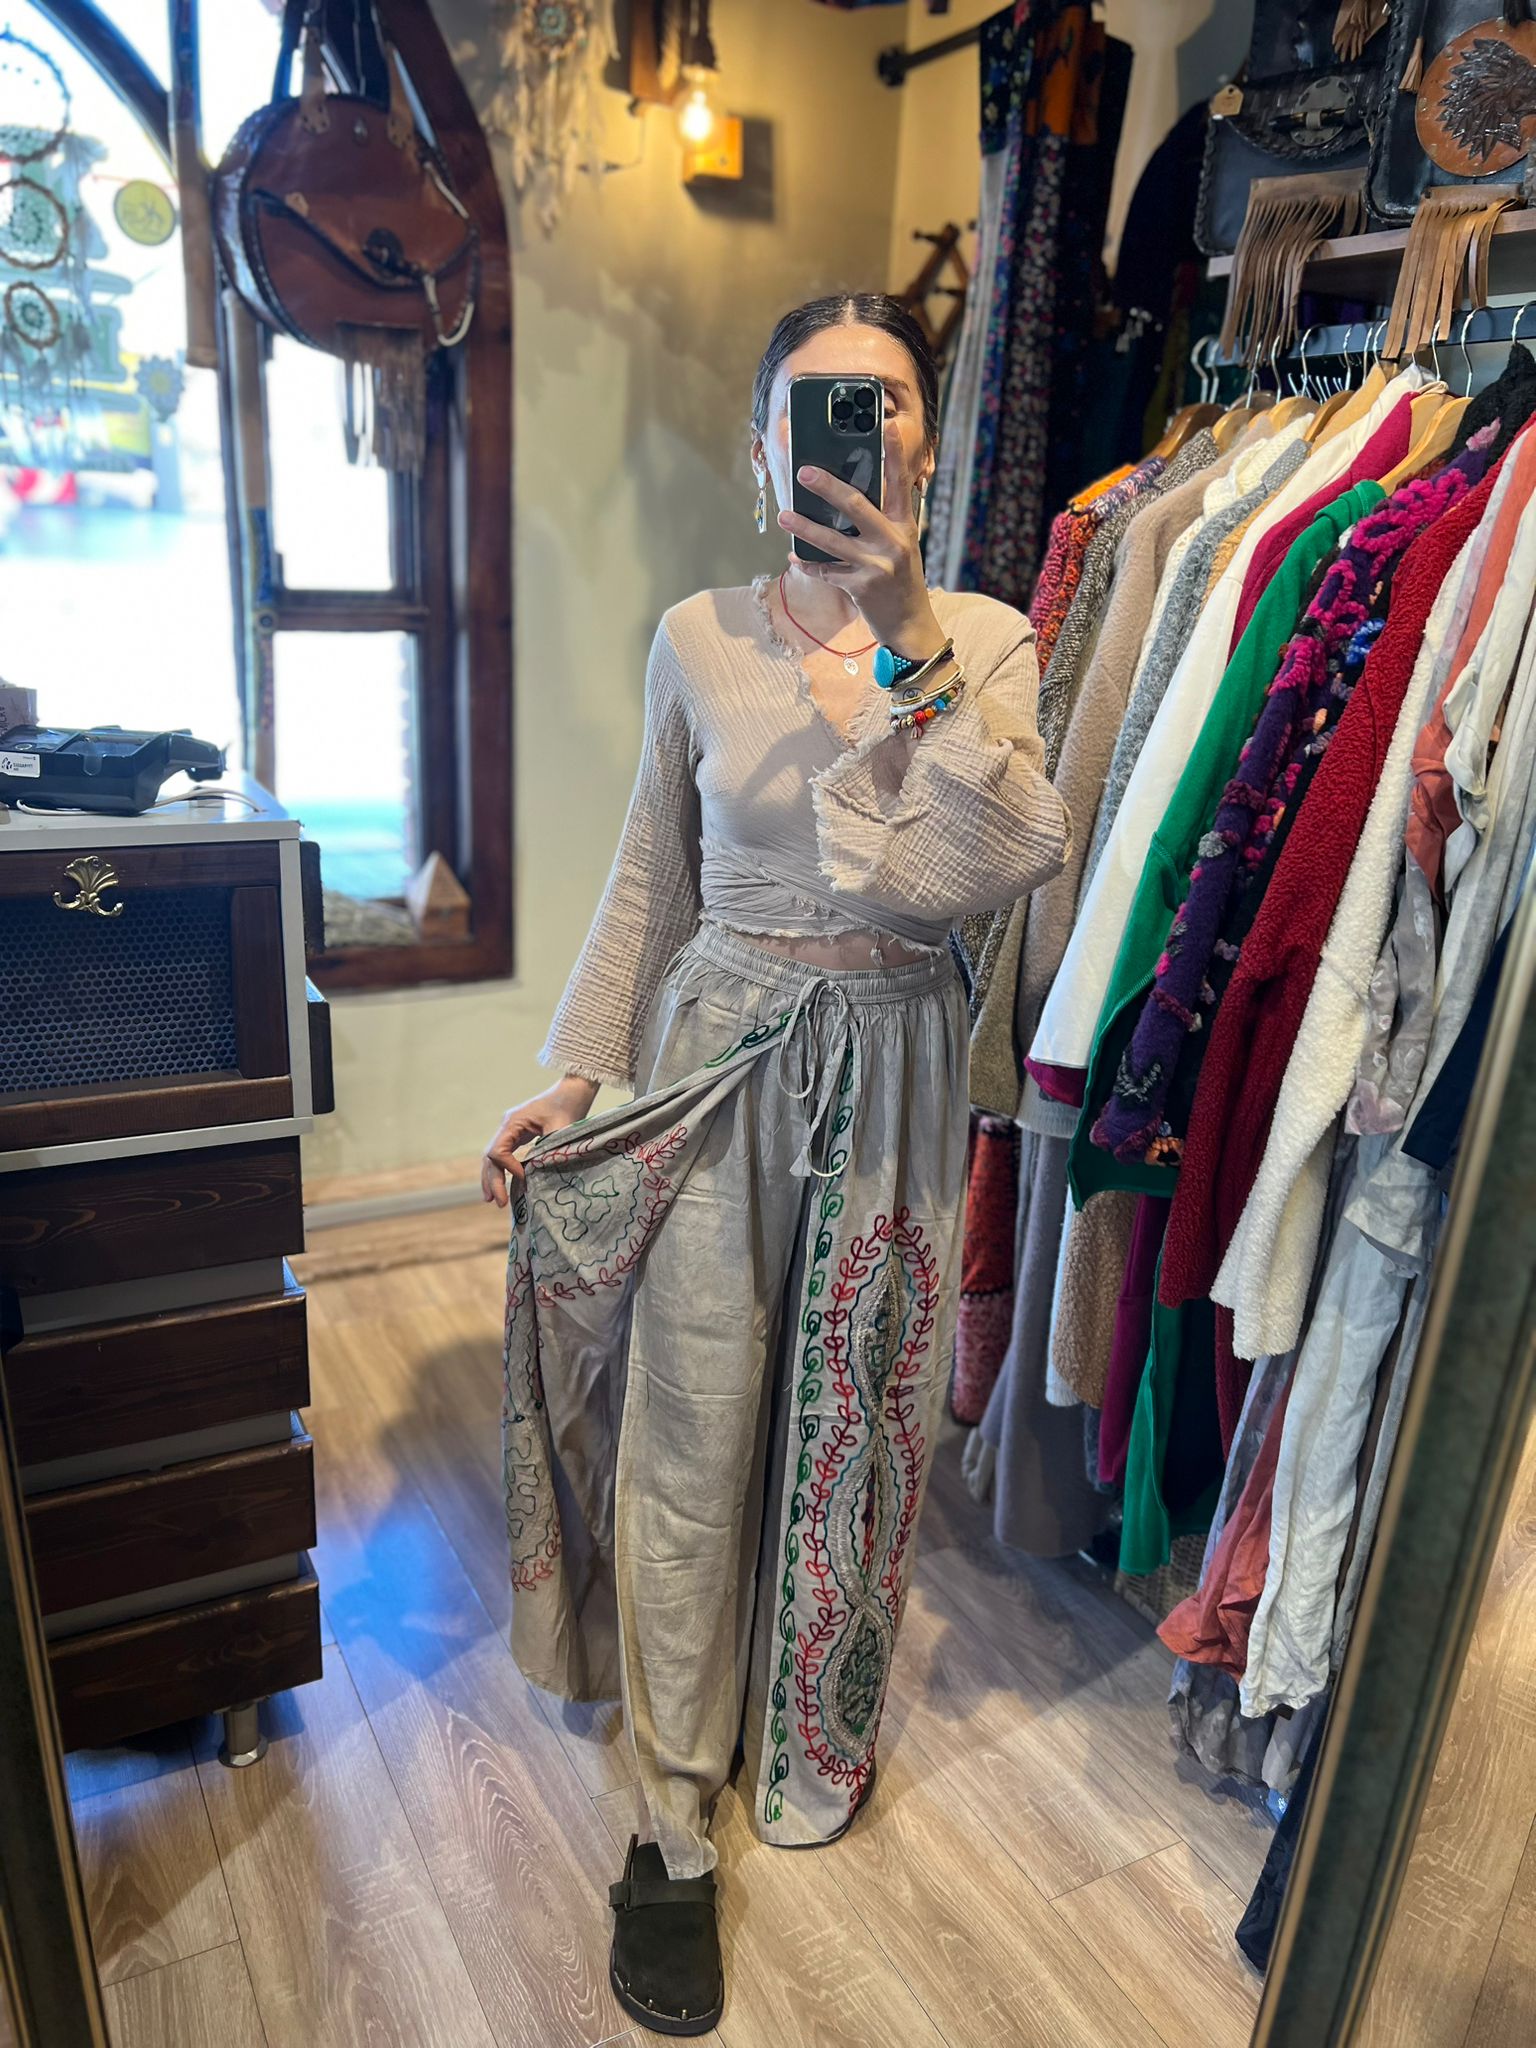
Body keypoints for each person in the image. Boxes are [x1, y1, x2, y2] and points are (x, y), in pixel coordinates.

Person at [481, 292, 1069, 2037]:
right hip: (722, 1046)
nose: (857, 431)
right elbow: (651, 871)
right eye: (819, 406)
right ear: (765, 453)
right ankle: (671, 1821)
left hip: (898, 1063)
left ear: (928, 442)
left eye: (887, 400)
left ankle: (808, 1745)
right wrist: (577, 1078)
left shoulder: (988, 638)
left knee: (859, 1424)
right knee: (690, 1422)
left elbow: (990, 861)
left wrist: (906, 638)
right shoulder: (695, 637)